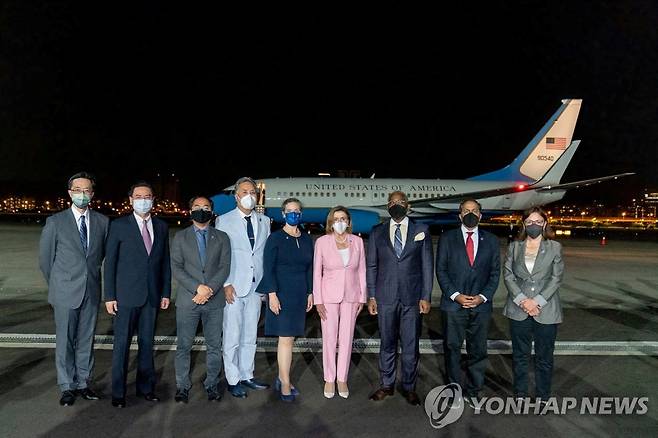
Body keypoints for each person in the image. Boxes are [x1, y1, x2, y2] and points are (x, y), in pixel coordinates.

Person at [38, 172, 109, 406]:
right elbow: (46, 261)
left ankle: (83, 382)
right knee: (65, 340)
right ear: (69, 193)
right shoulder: (55, 222)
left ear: (92, 194)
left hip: (90, 291)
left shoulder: (102, 222)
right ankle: (67, 385)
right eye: (77, 190)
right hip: (64, 292)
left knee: (86, 339)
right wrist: (58, 286)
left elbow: (101, 257)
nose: (82, 194)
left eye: (86, 190)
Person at [103, 181, 171, 408]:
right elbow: (110, 263)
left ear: (153, 200)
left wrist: (165, 292)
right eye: (139, 196)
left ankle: (146, 388)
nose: (144, 200)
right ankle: (119, 392)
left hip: (151, 297)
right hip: (125, 297)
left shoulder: (161, 226)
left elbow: (165, 264)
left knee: (146, 344)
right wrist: (110, 295)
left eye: (148, 196)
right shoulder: (119, 225)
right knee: (121, 346)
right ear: (130, 200)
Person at [367, 191, 433, 406]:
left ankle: (409, 387)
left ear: (408, 205)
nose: (396, 205)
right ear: (387, 206)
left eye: (400, 202)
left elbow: (426, 265)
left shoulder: (421, 230)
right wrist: (371, 295)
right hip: (385, 297)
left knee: (410, 345)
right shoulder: (377, 232)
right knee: (387, 343)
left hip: (412, 298)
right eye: (392, 202)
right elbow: (372, 266)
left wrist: (425, 295)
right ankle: (386, 384)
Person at [436, 199, 500, 406]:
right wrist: (455, 295)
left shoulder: (491, 240)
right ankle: (454, 390)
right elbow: (441, 270)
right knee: (452, 349)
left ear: (481, 215)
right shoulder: (447, 238)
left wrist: (482, 297)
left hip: (481, 306)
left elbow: (494, 273)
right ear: (460, 215)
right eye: (466, 211)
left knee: (478, 350)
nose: (470, 214)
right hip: (454, 305)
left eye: (474, 211)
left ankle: (473, 391)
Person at [171, 196, 231, 403]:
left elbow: (224, 267)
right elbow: (176, 268)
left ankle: (212, 384)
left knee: (214, 346)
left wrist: (209, 290)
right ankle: (182, 386)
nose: (201, 210)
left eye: (206, 207)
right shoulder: (180, 237)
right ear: (190, 211)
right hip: (189, 300)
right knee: (183, 347)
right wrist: (198, 288)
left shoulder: (222, 237)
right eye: (197, 206)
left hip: (214, 301)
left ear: (212, 211)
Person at [216, 177, 272, 398]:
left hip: (256, 287)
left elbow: (263, 255)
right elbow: (221, 255)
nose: (249, 195)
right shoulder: (223, 221)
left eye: (253, 192)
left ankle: (247, 374)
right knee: (232, 334)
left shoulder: (265, 221)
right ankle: (232, 379)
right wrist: (226, 283)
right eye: (245, 192)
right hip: (234, 287)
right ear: (237, 196)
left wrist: (267, 286)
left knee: (250, 334)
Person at [502, 206, 564, 403]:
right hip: (518, 309)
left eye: (538, 222)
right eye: (530, 222)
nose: (534, 225)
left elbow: (556, 278)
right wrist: (522, 300)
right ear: (524, 224)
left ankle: (543, 395)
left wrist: (536, 302)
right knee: (520, 355)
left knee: (544, 357)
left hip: (546, 309)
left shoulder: (555, 247)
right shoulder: (514, 247)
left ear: (545, 223)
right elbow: (508, 275)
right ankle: (520, 393)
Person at [257, 198, 313, 402]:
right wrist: (271, 294)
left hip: (299, 293)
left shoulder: (307, 239)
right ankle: (286, 383)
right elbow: (268, 268)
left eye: (297, 210)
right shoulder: (275, 238)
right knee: (286, 338)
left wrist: (310, 292)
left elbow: (310, 268)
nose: (294, 214)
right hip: (281, 292)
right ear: (282, 214)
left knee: (291, 337)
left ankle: (282, 377)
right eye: (289, 211)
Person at [313, 206, 366, 399]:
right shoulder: (322, 242)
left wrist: (362, 296)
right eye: (336, 219)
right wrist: (318, 300)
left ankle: (341, 378)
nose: (340, 222)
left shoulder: (358, 242)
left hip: (351, 296)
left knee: (347, 338)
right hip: (328, 297)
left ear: (349, 221)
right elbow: (316, 273)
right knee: (329, 338)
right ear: (330, 222)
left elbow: (361, 270)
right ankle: (329, 378)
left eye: (343, 218)